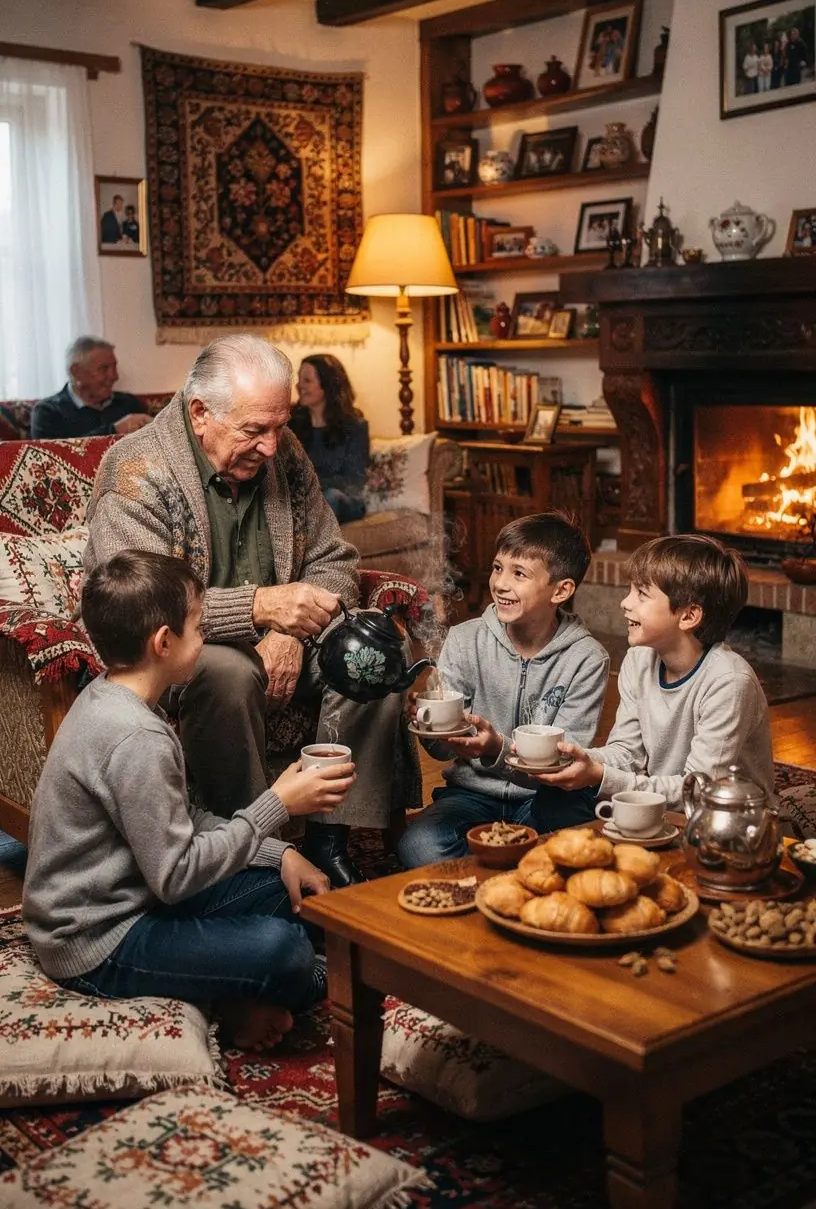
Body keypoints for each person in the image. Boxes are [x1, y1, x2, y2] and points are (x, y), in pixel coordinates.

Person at [84, 333, 410, 889]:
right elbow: (143, 607)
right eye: (254, 429)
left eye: (280, 425)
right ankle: (258, 853)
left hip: (283, 640)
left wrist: (291, 635)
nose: (271, 445)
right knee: (229, 673)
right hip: (179, 649)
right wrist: (261, 608)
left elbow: (335, 559)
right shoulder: (136, 471)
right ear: (200, 413)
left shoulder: (282, 453)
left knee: (375, 653)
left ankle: (335, 835)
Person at [22, 551, 357, 1048]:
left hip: (137, 893)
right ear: (163, 643)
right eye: (199, 628)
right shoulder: (136, 738)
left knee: (283, 890)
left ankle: (240, 994)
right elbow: (176, 877)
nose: (206, 640)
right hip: (98, 939)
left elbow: (178, 820)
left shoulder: (110, 695)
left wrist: (280, 851)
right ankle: (250, 998)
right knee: (285, 951)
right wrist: (278, 804)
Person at [396, 512, 610, 868]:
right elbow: (441, 751)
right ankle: (518, 866)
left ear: (561, 590)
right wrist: (430, 728)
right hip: (471, 794)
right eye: (498, 568)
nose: (500, 583)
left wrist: (497, 748)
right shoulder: (465, 640)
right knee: (418, 846)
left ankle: (501, 865)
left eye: (519, 573)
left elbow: (566, 764)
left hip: (546, 798)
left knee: (578, 842)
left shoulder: (587, 658)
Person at [534, 534, 774, 813]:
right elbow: (627, 753)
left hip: (729, 823)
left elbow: (698, 791)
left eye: (642, 594)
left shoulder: (729, 681)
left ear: (688, 616)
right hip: (668, 807)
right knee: (555, 799)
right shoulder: (639, 659)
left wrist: (600, 777)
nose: (625, 602)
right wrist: (573, 761)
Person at [288, 355, 369, 523]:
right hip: (302, 499)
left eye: (307, 380)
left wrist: (309, 485)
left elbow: (353, 479)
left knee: (329, 497)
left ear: (327, 385)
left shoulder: (355, 427)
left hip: (342, 499)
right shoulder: (290, 423)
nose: (299, 386)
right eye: (299, 379)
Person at [31, 336, 152, 440]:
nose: (114, 376)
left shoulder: (129, 403)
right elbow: (51, 457)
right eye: (104, 369)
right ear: (76, 372)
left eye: (114, 367)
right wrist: (114, 430)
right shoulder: (48, 412)